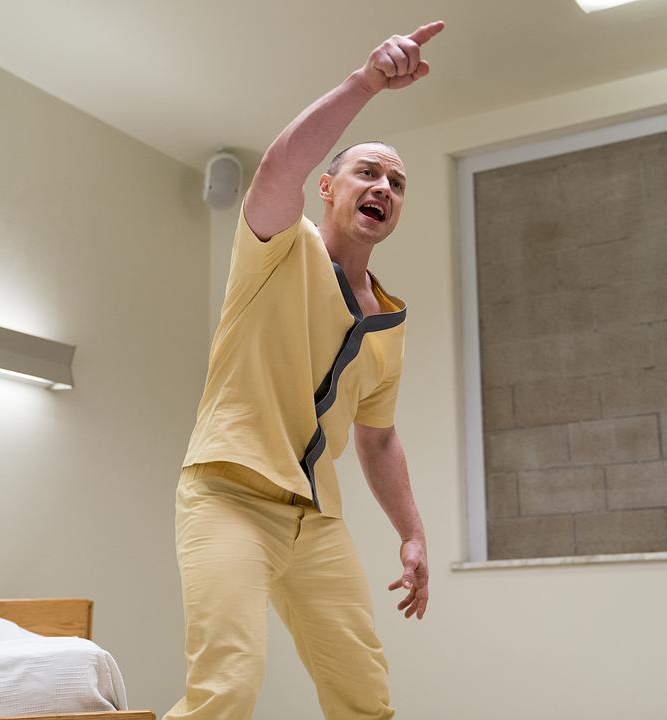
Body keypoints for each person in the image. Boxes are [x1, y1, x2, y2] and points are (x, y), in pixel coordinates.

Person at [165, 20, 444, 720]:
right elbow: (275, 171)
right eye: (367, 172)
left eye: (397, 182)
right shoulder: (278, 248)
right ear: (326, 187)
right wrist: (367, 83)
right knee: (227, 686)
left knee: (364, 692)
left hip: (315, 519)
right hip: (229, 494)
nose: (384, 186)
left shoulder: (388, 321)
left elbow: (378, 438)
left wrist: (412, 532)